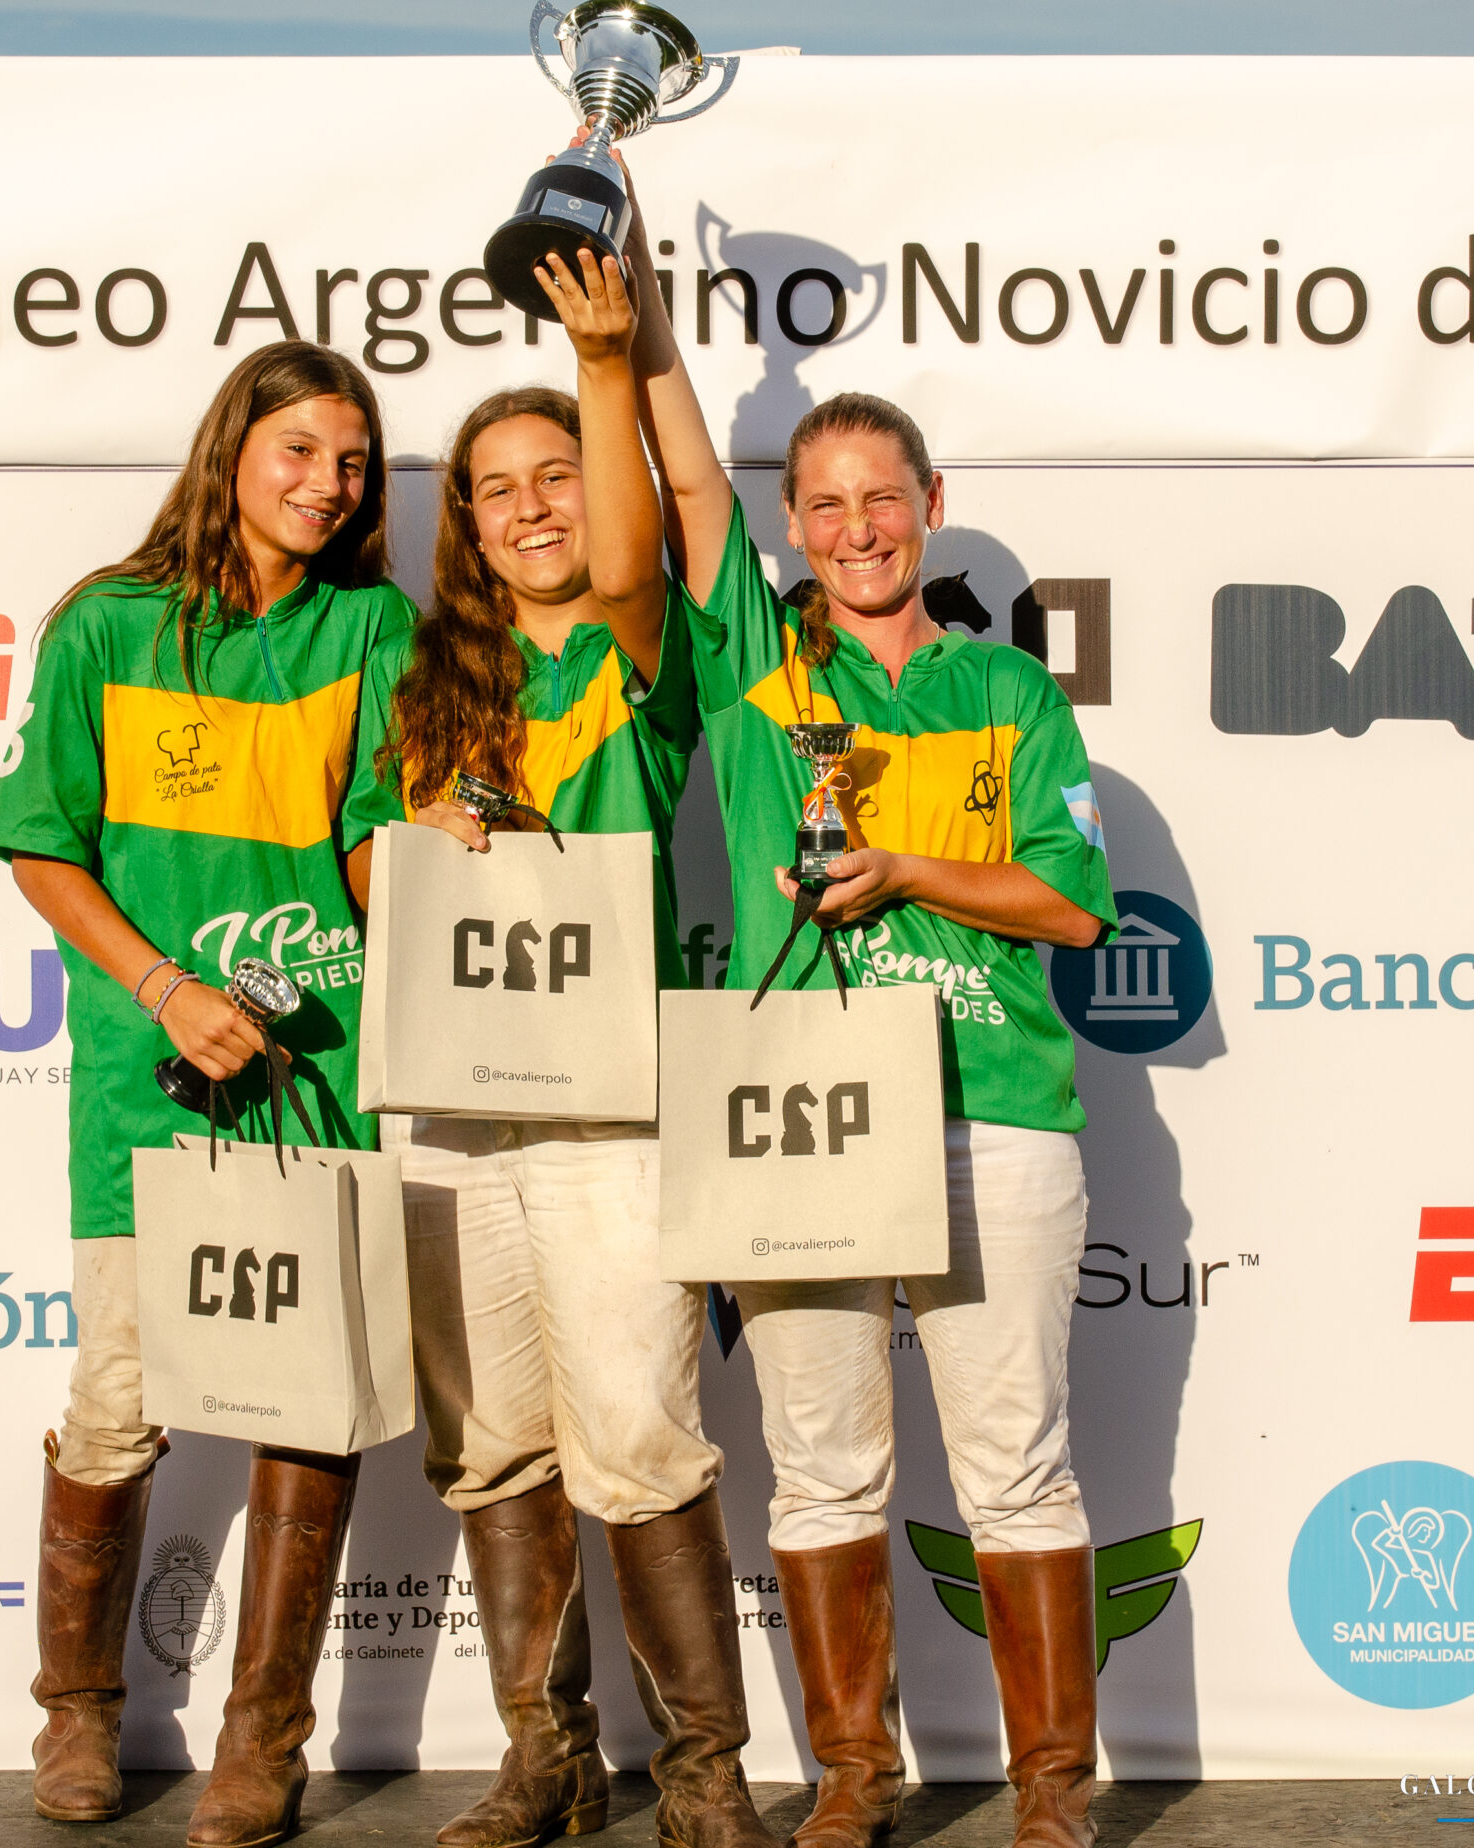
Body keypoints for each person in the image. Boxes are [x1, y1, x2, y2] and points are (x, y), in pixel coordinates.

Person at [623, 183, 1118, 1848]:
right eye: (821, 506)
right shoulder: (760, 666)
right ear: (797, 524)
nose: (853, 529)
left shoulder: (1009, 689)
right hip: (812, 1117)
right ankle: (852, 1775)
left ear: (931, 509)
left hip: (994, 1109)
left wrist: (909, 867)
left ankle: (1054, 1783)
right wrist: (630, 289)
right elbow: (687, 474)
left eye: (878, 499)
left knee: (1018, 1467)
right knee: (824, 1469)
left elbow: (1070, 904)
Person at [341, 249, 774, 1848]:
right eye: (492, 490)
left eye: (556, 480)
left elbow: (642, 548)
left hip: (610, 1112)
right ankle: (550, 1756)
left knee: (644, 1432)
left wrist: (605, 360)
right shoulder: (423, 672)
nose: (531, 508)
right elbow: (370, 881)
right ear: (458, 524)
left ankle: (705, 1773)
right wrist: (422, 832)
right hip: (452, 1116)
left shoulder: (638, 651)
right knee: (491, 1442)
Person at [0, 339, 415, 1837]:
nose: (328, 484)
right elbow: (45, 847)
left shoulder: (373, 626)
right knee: (113, 1412)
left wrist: (444, 862)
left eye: (352, 462)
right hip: (146, 1088)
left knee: (307, 1416)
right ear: (231, 449)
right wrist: (167, 989)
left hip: (314, 1087)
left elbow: (371, 856)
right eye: (300, 450)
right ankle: (77, 1720)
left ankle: (261, 1745)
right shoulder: (106, 625)